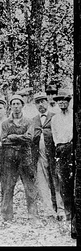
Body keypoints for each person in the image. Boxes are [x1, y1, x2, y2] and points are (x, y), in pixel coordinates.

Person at [0, 94, 38, 223]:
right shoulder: (5, 123)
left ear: (22, 105)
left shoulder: (29, 121)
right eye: (13, 104)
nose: (16, 107)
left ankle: (33, 216)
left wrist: (13, 137)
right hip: (10, 157)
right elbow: (4, 140)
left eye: (18, 104)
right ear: (10, 106)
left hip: (25, 156)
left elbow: (29, 138)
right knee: (8, 185)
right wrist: (17, 137)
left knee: (29, 186)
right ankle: (7, 217)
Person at [32, 92, 65, 220]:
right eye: (38, 102)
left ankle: (61, 210)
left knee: (57, 181)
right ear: (35, 105)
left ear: (47, 102)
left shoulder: (55, 117)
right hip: (39, 156)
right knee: (43, 183)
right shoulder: (33, 120)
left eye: (43, 101)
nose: (41, 104)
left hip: (54, 155)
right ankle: (49, 210)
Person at [51, 89, 74, 221]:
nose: (62, 103)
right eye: (59, 101)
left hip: (72, 148)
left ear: (69, 101)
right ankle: (68, 212)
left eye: (64, 100)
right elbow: (55, 137)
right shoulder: (55, 119)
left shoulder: (73, 116)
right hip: (61, 149)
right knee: (64, 182)